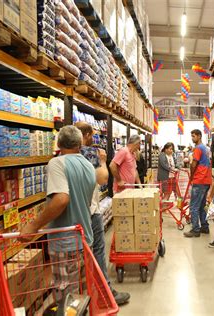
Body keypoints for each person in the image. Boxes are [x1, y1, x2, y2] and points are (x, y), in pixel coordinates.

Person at [20, 125, 96, 301]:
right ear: (79, 144)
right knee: (82, 295)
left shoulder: (57, 163)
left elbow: (61, 199)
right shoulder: (88, 165)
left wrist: (33, 225)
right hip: (85, 239)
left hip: (65, 242)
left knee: (66, 299)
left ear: (59, 143)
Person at [75, 122, 130, 306]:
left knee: (80, 254)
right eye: (92, 135)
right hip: (91, 211)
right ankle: (105, 292)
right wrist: (103, 161)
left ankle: (81, 296)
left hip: (76, 212)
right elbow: (102, 178)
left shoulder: (63, 158)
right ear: (87, 134)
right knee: (97, 251)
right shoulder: (90, 154)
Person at [184, 129, 212, 238]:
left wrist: (191, 176)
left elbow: (193, 164)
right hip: (207, 180)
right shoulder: (206, 148)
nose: (192, 138)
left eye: (194, 136)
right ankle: (204, 227)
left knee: (194, 206)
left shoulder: (198, 149)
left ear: (199, 136)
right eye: (191, 136)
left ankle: (195, 229)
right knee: (201, 205)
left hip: (199, 180)